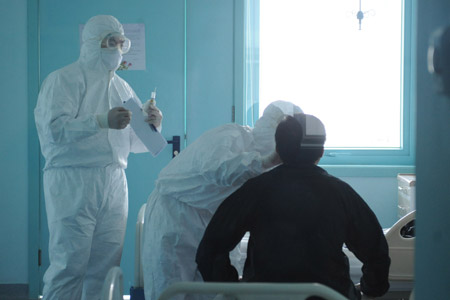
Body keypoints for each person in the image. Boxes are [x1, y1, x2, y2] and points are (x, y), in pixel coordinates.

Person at [34, 15, 162, 300]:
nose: (117, 48)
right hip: (73, 180)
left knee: (106, 266)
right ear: (93, 43)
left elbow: (138, 142)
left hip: (115, 182)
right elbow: (53, 130)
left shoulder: (123, 88)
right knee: (70, 264)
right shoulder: (63, 80)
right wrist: (101, 120)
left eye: (120, 42)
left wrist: (154, 123)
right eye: (110, 42)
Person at [196, 113, 391, 300]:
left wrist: (232, 288)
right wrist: (371, 289)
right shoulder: (341, 194)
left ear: (278, 151)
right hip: (329, 295)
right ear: (321, 151)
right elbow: (376, 250)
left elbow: (209, 250)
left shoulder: (254, 191)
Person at [142, 101, 303, 300]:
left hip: (213, 221)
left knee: (210, 292)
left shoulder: (269, 165)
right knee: (172, 289)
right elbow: (219, 170)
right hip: (175, 215)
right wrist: (265, 161)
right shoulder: (233, 136)